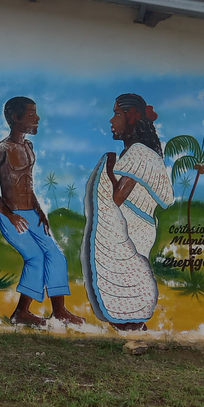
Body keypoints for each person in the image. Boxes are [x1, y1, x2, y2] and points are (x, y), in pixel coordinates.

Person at [0, 96, 83, 326]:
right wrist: (10, 215)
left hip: (32, 215)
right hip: (13, 216)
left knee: (56, 256)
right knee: (35, 258)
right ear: (15, 118)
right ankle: (21, 313)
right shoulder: (0, 149)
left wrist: (39, 211)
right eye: (31, 114)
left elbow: (27, 185)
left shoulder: (28, 146)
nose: (37, 118)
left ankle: (59, 311)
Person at [82, 93, 174, 330]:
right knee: (126, 279)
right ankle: (130, 323)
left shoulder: (139, 154)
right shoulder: (136, 153)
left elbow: (116, 198)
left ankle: (132, 323)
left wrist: (108, 167)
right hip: (134, 226)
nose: (112, 120)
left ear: (132, 119)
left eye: (117, 114)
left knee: (129, 277)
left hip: (134, 229)